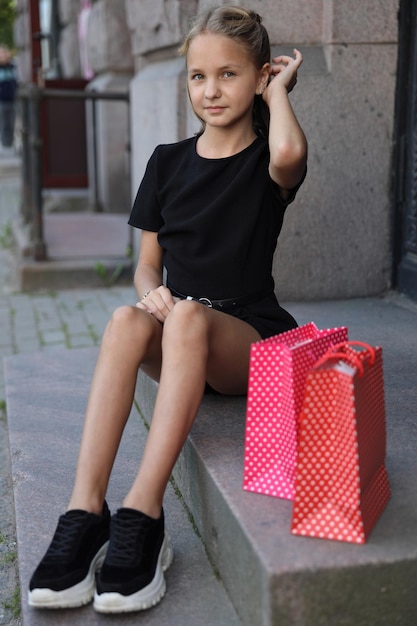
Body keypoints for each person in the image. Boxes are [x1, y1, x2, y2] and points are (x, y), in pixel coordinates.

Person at [28, 4, 307, 615]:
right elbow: (146, 265)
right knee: (128, 318)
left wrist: (280, 92)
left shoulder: (268, 162)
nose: (210, 90)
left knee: (184, 316)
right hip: (182, 329)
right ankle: (84, 511)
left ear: (259, 77)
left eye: (229, 75)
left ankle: (143, 514)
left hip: (248, 343)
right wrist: (149, 290)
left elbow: (288, 151)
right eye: (197, 76)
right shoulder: (166, 162)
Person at [0, 44, 17, 150]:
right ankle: (5, 145)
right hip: (1, 101)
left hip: (12, 100)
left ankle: (9, 145)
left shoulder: (12, 67)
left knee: (11, 123)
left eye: (5, 53)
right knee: (3, 124)